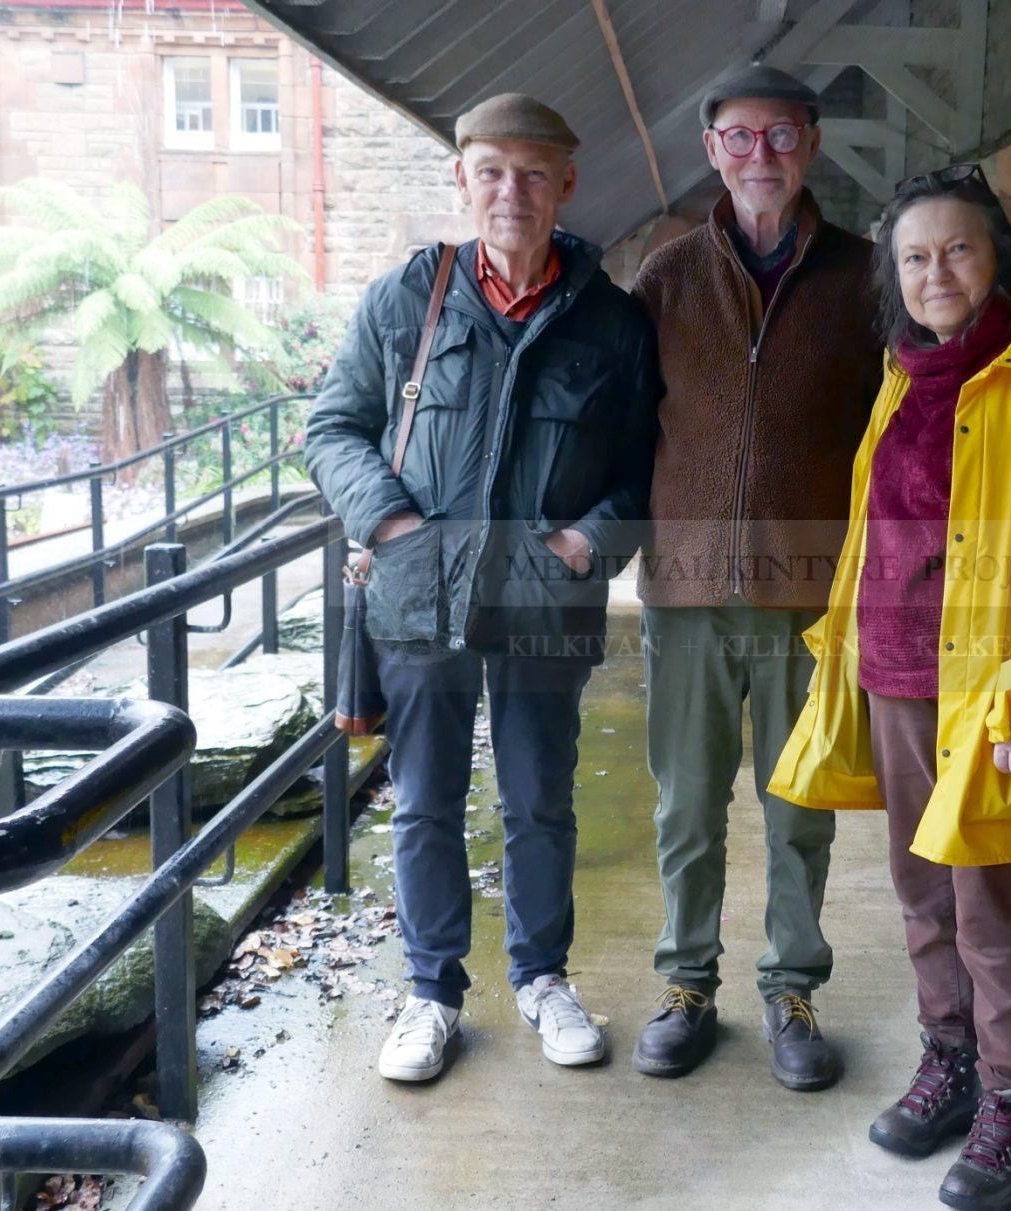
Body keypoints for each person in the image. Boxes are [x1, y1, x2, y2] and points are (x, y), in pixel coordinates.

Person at [767, 164, 1011, 1210]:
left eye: (959, 250)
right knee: (924, 895)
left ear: (1001, 259)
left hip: (993, 691)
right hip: (895, 674)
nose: (937, 272)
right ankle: (952, 1063)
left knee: (1000, 909)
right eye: (916, 257)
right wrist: (842, 641)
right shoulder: (904, 370)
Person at [305, 93, 659, 1082]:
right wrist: (393, 523)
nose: (513, 191)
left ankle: (543, 977)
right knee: (423, 800)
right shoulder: (405, 301)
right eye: (492, 171)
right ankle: (430, 994)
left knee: (541, 796)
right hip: (419, 599)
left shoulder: (614, 322)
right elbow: (331, 427)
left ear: (567, 186)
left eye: (534, 173)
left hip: (546, 602)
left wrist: (591, 543)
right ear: (461, 179)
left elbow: (642, 470)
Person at [629, 66, 882, 1090]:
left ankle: (792, 987)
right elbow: (622, 417)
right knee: (686, 806)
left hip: (807, 596)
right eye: (739, 138)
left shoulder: (869, 275)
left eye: (779, 136)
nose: (760, 157)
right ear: (711, 149)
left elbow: (894, 428)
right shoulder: (667, 276)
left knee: (797, 806)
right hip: (685, 591)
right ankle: (688, 982)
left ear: (811, 144)